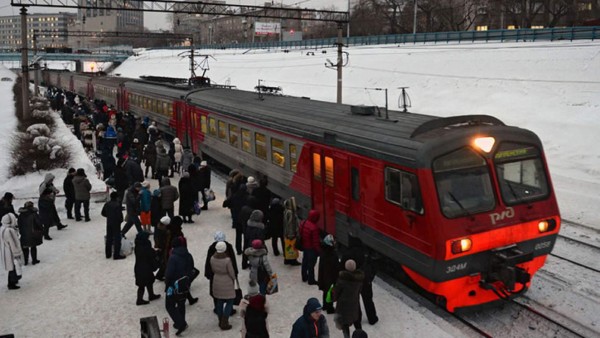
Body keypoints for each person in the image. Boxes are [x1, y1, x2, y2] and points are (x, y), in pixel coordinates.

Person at [204, 231, 238, 315]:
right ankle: (229, 309)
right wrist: (235, 273)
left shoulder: (212, 248)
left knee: (216, 293)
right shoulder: (229, 247)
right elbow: (233, 260)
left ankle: (217, 308)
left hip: (215, 275)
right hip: (228, 275)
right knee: (229, 292)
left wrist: (208, 273)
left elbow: (208, 262)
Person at [165, 236, 192, 336]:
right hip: (184, 284)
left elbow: (169, 274)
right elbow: (191, 268)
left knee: (169, 305)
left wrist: (167, 284)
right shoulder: (188, 254)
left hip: (173, 285)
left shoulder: (173, 257)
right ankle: (181, 321)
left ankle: (180, 323)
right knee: (181, 303)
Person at [334, 259, 365, 338]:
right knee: (356, 320)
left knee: (344, 324)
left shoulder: (342, 280)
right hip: (354, 303)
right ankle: (360, 334)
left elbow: (336, 293)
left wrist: (333, 298)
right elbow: (360, 290)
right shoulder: (359, 280)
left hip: (343, 305)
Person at [210, 241, 236, 331]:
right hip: (227, 281)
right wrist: (234, 279)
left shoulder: (212, 258)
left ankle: (220, 319)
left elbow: (212, 269)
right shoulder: (227, 260)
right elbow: (231, 272)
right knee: (230, 300)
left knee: (219, 301)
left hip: (216, 280)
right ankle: (224, 322)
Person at [134, 231, 161, 305]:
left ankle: (147, 296)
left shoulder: (138, 245)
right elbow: (150, 254)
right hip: (146, 268)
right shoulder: (145, 246)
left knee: (143, 283)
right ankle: (141, 299)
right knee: (147, 282)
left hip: (139, 268)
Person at [318, 234, 341, 314]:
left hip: (324, 275)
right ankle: (329, 308)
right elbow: (336, 267)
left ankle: (325, 305)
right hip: (331, 277)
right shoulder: (332, 254)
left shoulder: (323, 252)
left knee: (325, 291)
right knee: (330, 292)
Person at [1, 213, 23, 290]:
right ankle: (12, 283)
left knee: (11, 267)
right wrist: (17, 253)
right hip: (11, 252)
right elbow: (13, 243)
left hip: (6, 251)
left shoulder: (2, 228)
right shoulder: (10, 231)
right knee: (14, 267)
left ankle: (11, 282)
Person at [17, 201, 44, 265]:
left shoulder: (21, 215)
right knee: (33, 247)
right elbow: (39, 223)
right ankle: (34, 260)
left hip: (24, 234)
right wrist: (41, 229)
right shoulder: (34, 214)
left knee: (25, 248)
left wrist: (21, 232)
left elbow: (19, 224)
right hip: (33, 234)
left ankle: (26, 261)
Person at [101, 192, 125, 260]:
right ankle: (116, 255)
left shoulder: (107, 204)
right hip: (116, 223)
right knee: (117, 239)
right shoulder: (117, 205)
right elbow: (119, 216)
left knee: (109, 238)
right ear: (116, 197)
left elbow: (103, 213)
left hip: (109, 223)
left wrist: (109, 216)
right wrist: (120, 220)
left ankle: (108, 254)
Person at [300, 210, 321, 284]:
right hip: (311, 249)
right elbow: (315, 242)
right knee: (311, 265)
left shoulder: (303, 222)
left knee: (305, 261)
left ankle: (304, 276)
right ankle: (311, 280)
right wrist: (319, 251)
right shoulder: (314, 228)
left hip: (305, 246)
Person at [283, 198, 300, 266]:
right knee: (292, 247)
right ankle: (292, 260)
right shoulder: (290, 213)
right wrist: (291, 234)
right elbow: (290, 224)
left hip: (286, 233)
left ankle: (287, 259)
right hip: (291, 233)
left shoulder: (286, 211)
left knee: (288, 246)